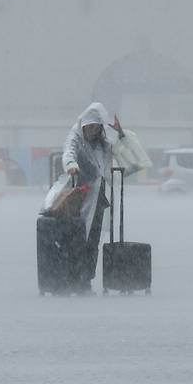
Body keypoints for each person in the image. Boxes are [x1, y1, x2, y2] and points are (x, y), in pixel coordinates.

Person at [61, 102, 125, 294]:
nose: (92, 130)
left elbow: (125, 153)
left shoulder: (103, 144)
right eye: (89, 127)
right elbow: (68, 152)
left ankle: (85, 279)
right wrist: (71, 165)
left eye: (96, 127)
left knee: (93, 240)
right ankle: (74, 278)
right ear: (83, 126)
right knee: (76, 239)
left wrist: (121, 134)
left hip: (98, 199)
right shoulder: (75, 139)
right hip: (77, 197)